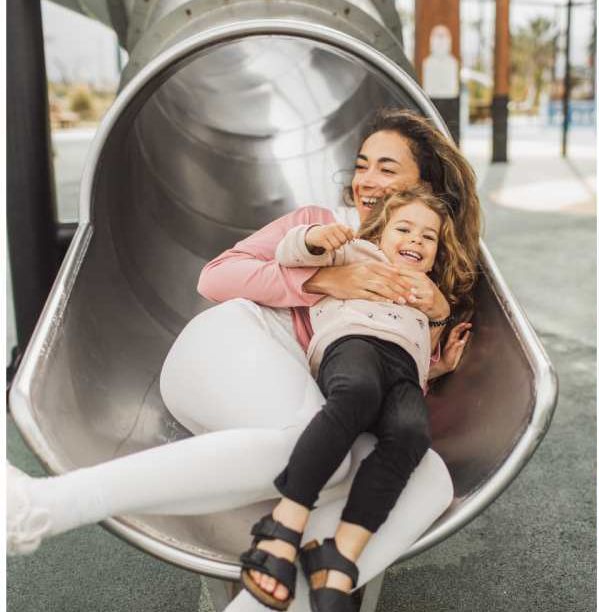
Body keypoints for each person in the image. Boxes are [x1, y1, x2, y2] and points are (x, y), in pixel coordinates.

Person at [8, 108, 482, 612]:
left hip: (310, 392)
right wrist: (324, 279)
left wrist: (432, 362)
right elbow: (216, 276)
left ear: (424, 188)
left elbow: (389, 373)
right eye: (362, 165)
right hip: (234, 343)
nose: (366, 180)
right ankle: (43, 506)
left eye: (387, 169)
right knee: (321, 447)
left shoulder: (427, 277)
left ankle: (271, 596)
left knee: (428, 477)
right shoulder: (324, 226)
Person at [240, 184, 475, 610]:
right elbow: (291, 254)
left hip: (404, 371)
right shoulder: (357, 254)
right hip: (352, 344)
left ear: (437, 253)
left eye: (428, 237)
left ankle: (340, 554)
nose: (415, 240)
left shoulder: (429, 293)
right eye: (404, 229)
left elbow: (419, 352)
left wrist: (438, 355)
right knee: (358, 393)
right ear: (380, 233)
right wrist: (315, 238)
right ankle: (282, 527)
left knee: (412, 432)